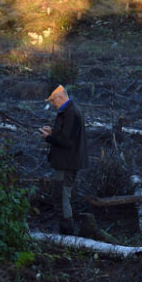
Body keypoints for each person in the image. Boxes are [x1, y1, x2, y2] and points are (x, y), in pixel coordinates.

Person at [38, 85, 88, 235]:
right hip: (67, 162)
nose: (52, 104)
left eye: (53, 100)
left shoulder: (71, 112)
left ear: (60, 97)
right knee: (61, 196)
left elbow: (66, 141)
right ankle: (67, 233)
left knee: (61, 197)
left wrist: (48, 137)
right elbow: (68, 135)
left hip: (66, 163)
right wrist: (53, 132)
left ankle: (67, 233)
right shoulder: (70, 111)